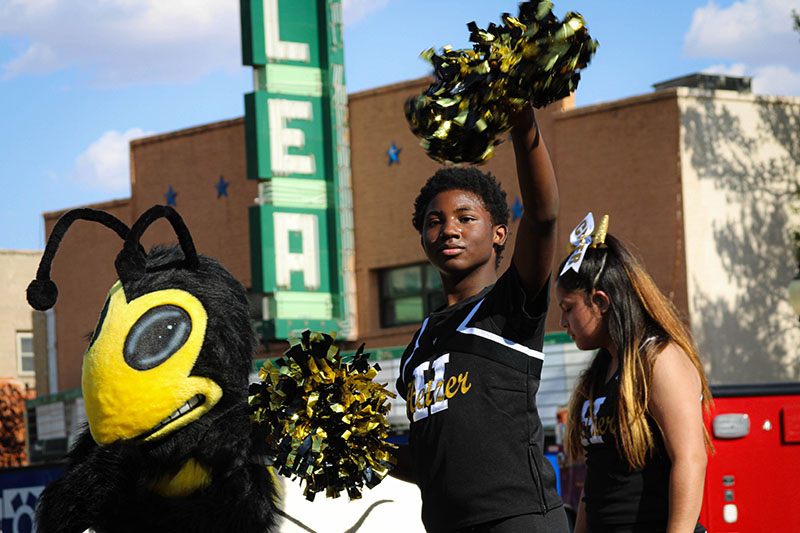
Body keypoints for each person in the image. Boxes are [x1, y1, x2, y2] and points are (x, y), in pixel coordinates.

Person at [392, 104, 568, 533]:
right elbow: (428, 458)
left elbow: (543, 217)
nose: (448, 229)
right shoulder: (419, 344)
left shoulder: (508, 305)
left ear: (498, 234)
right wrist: (348, 441)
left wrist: (522, 121)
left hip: (518, 520)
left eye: (465, 218)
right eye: (435, 221)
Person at [555, 218, 712, 533]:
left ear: (600, 301)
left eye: (568, 308)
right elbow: (596, 478)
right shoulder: (599, 373)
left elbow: (691, 459)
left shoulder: (660, 359)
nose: (562, 321)